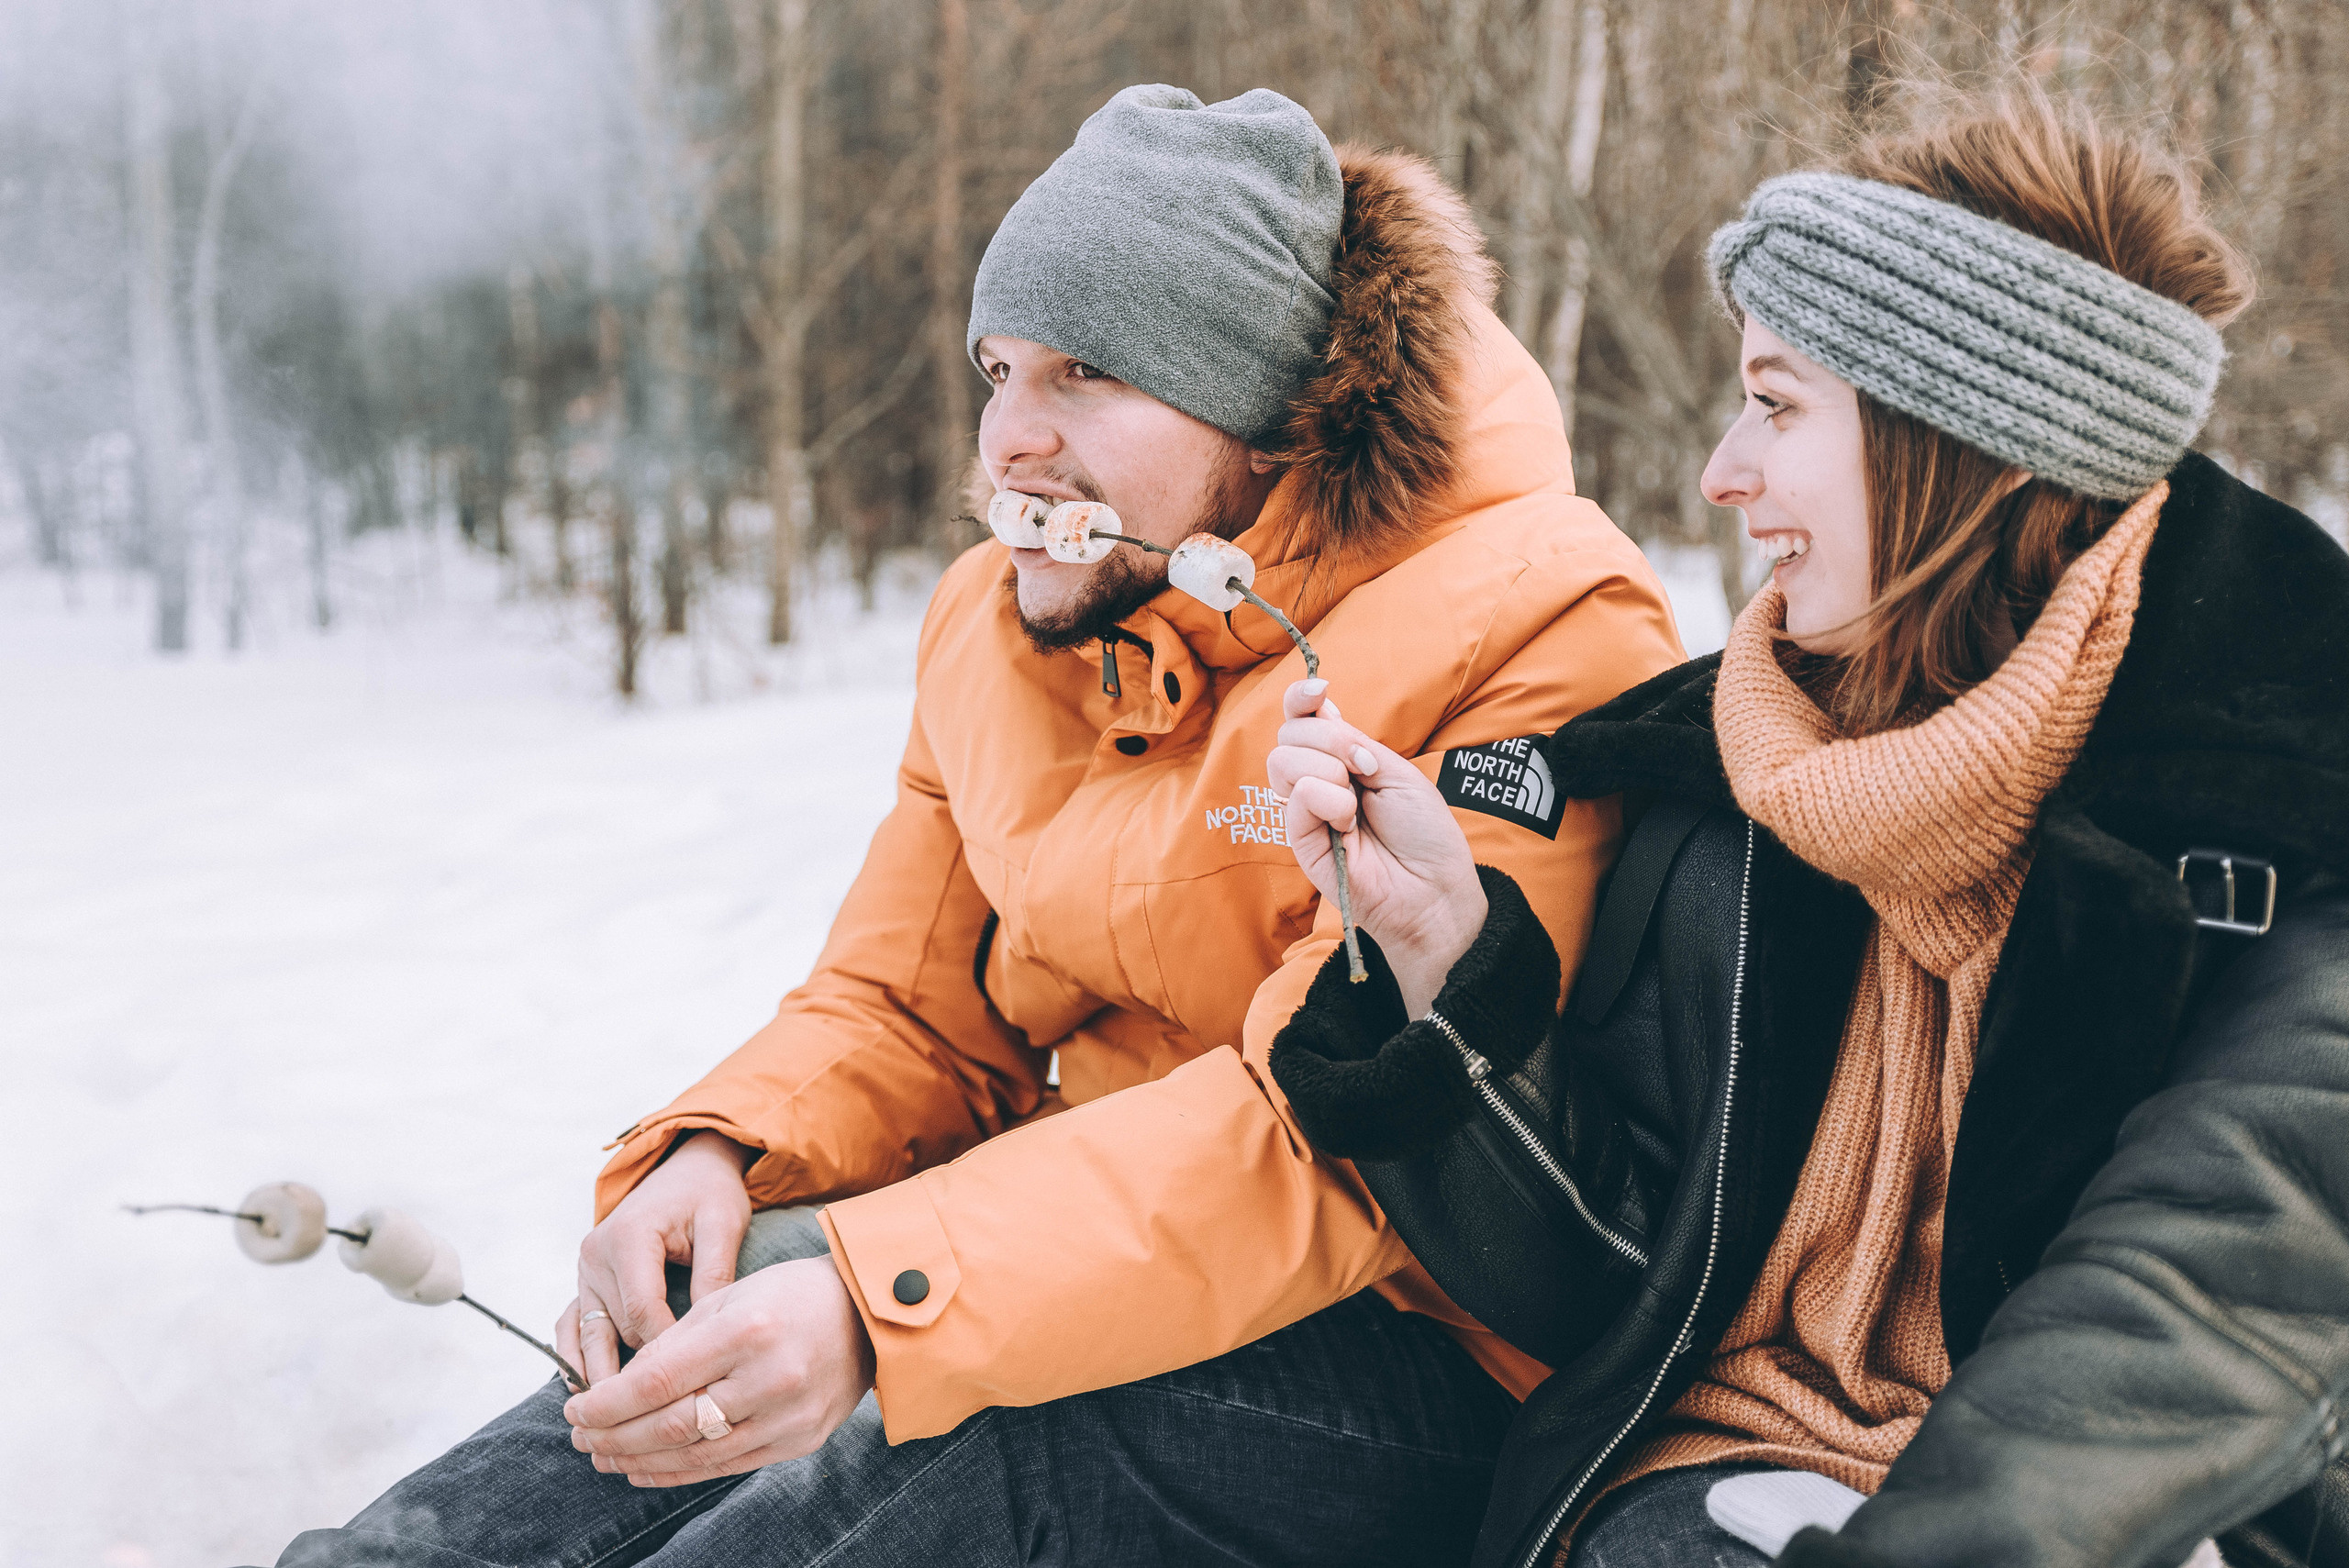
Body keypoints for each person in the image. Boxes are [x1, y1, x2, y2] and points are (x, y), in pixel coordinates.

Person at [272, 85, 1685, 1566]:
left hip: (1417, 1342)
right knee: (733, 1298)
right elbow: (913, 1007)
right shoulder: (996, 629)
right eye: (1000, 370)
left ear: (1269, 408)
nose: (1010, 440)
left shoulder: (1533, 625)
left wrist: (891, 1301)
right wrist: (721, 1157)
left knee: (981, 1383)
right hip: (1084, 1255)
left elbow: (1338, 1137)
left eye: (1084, 374)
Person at [1265, 88, 2349, 1568]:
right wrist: (1445, 952)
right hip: (1701, 1470)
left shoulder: (2288, 803)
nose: (1721, 472)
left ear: (1965, 442)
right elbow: (1620, 1281)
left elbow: (2203, 1290)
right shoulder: (1735, 775)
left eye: (1776, 403)